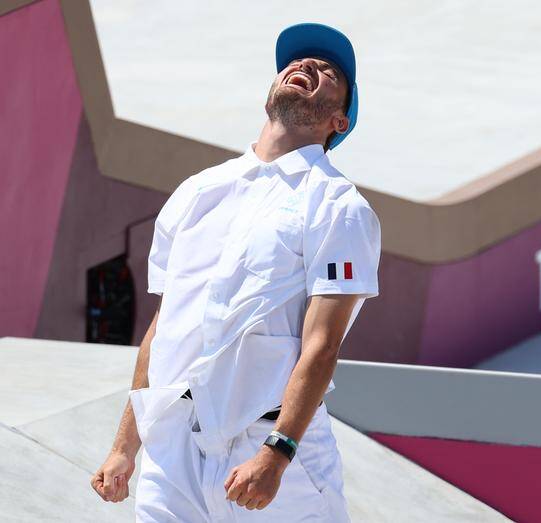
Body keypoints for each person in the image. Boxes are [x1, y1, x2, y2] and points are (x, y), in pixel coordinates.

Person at [90, 23, 380, 522]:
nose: (306, 66)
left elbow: (323, 345)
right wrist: (124, 446)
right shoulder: (197, 191)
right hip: (173, 449)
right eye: (297, 62)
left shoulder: (338, 206)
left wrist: (278, 453)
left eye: (328, 72)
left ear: (340, 120)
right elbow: (164, 328)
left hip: (271, 452)